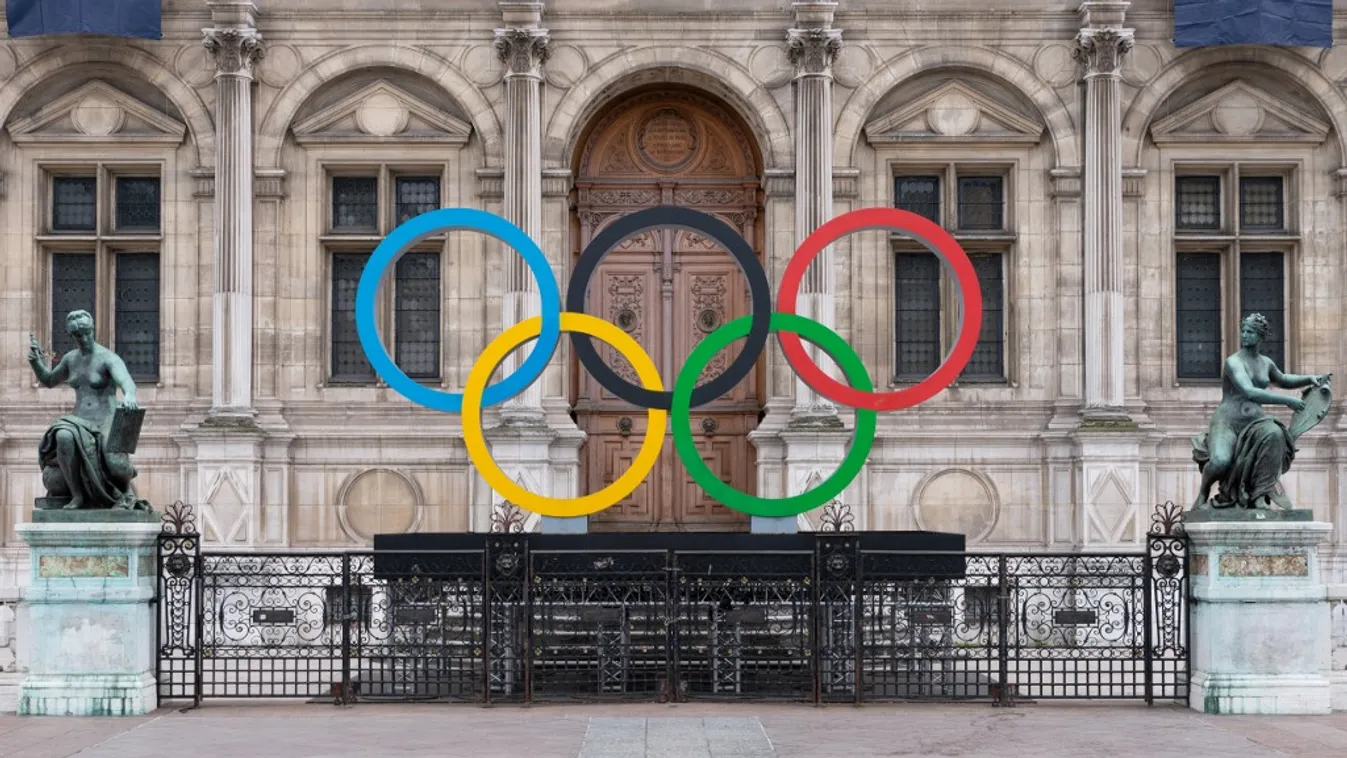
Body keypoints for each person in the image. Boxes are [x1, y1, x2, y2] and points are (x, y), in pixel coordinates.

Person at [1191, 313, 1331, 509]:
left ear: (1260, 336)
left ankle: (1259, 494)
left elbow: (1283, 379)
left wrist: (1310, 378)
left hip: (1255, 422)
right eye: (1243, 331)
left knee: (1275, 435)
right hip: (1228, 422)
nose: (1244, 335)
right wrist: (1288, 401)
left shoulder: (1266, 362)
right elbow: (1249, 391)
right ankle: (1204, 492)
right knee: (1220, 461)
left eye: (1250, 332)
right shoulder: (1233, 362)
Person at [26, 310, 146, 510]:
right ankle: (77, 495)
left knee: (114, 465)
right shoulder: (70, 359)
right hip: (79, 418)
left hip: (106, 417)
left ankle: (125, 485)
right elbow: (48, 380)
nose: (84, 338)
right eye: (78, 335)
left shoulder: (108, 358)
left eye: (87, 332)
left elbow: (127, 383)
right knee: (63, 436)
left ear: (93, 330)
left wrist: (130, 396)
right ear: (72, 336)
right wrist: (36, 363)